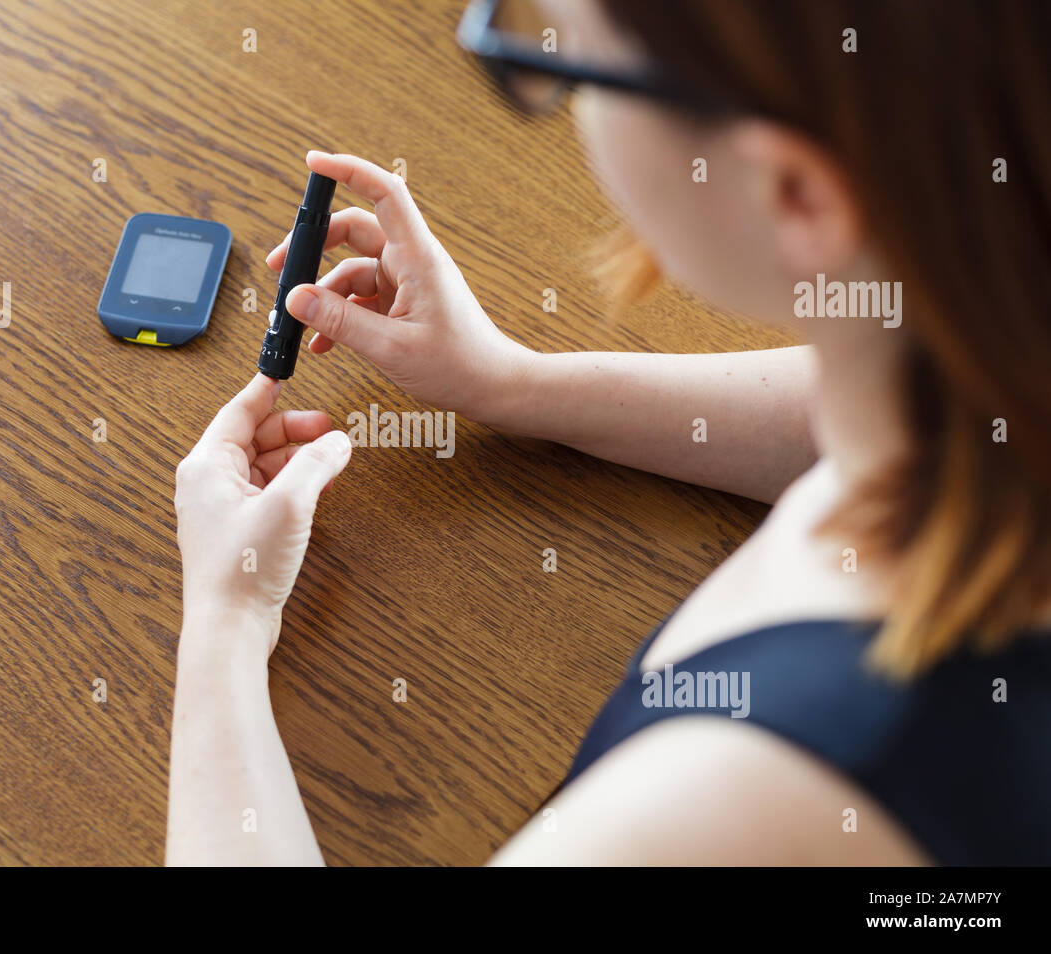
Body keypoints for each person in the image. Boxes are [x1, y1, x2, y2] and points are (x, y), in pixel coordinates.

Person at [165, 0, 1051, 865]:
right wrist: (510, 383)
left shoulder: (750, 804)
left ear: (797, 194)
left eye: (568, 61)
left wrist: (223, 620)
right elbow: (873, 407)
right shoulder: (986, 345)